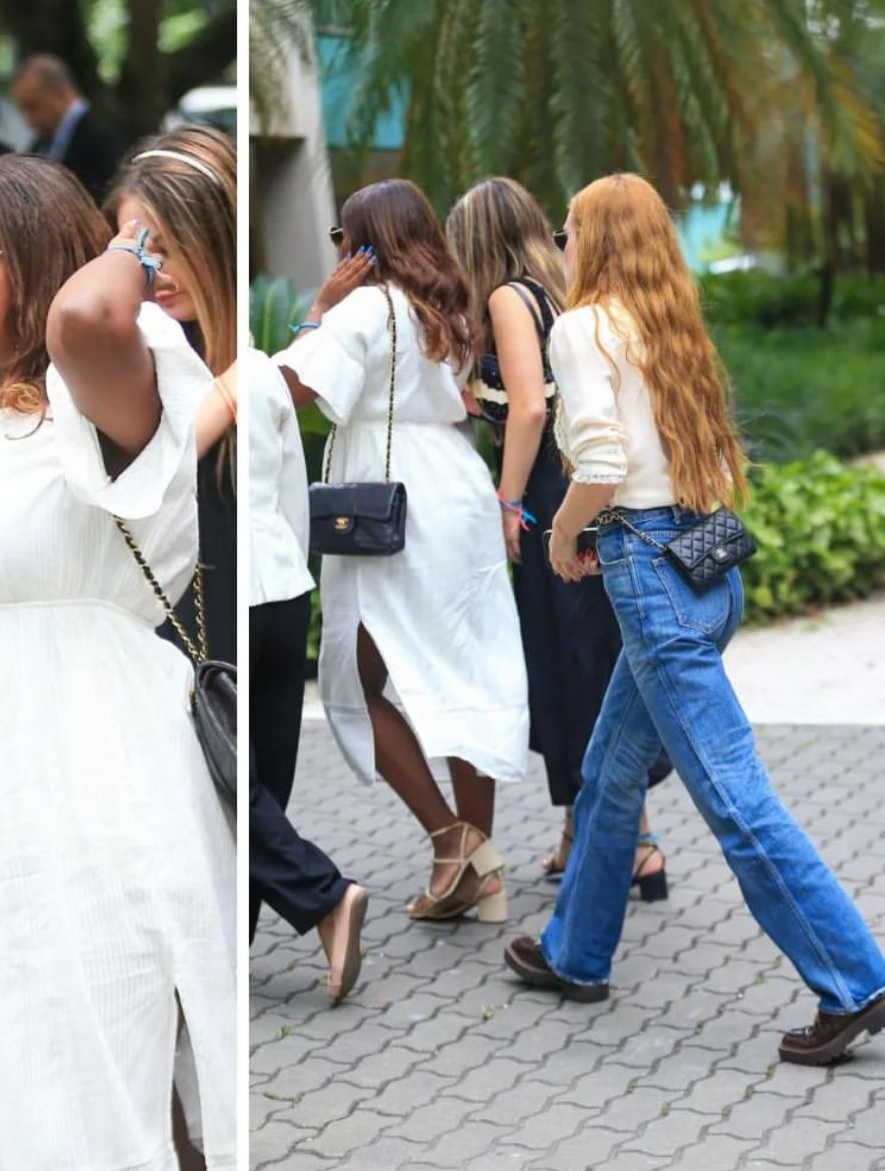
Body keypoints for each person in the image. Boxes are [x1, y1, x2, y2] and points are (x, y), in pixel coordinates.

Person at [0, 154, 236, 1168]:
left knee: (114, 1058)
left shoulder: (106, 379)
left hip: (90, 769)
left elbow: (85, 320)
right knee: (31, 1078)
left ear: (38, 255)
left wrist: (129, 241)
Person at [503, 172, 885, 1066]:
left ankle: (855, 977)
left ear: (592, 241)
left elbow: (598, 458)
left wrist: (564, 533)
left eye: (566, 234)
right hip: (705, 566)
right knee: (608, 768)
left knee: (732, 795)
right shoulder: (665, 323)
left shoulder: (582, 326)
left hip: (650, 576)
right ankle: (576, 952)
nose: (558, 248)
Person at [274, 179, 529, 925]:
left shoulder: (360, 308)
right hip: (457, 490)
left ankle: (454, 843)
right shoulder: (453, 307)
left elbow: (288, 391)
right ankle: (474, 862)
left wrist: (316, 311)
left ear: (362, 244)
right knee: (464, 668)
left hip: (386, 504)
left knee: (357, 678)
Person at [446, 177, 671, 901]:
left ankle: (629, 841)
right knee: (590, 658)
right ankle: (594, 828)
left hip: (550, 491)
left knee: (568, 658)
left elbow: (531, 412)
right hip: (586, 489)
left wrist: (509, 501)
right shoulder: (560, 286)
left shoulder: (510, 296)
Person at [247, 343, 369, 1002]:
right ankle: (232, 938)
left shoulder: (167, 372)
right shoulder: (261, 370)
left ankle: (326, 896)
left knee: (229, 782)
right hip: (283, 589)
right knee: (263, 780)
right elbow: (294, 493)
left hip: (226, 600)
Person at [107, 125, 238, 663]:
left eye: (168, 245)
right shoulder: (131, 356)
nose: (153, 268)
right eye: (134, 250)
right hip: (164, 649)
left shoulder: (251, 357)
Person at [13, 54, 125, 202]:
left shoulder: (102, 135)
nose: (28, 120)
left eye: (33, 106)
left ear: (61, 93)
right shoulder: (41, 144)